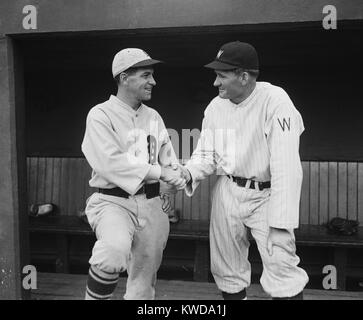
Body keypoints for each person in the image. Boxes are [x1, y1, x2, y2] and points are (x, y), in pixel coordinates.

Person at [176, 41, 309, 300]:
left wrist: (282, 222)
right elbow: (207, 154)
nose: (216, 82)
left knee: (281, 264)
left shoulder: (276, 101)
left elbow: (287, 167)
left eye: (222, 75)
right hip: (229, 190)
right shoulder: (215, 107)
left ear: (244, 76)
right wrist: (188, 173)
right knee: (226, 268)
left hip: (267, 194)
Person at [81, 48, 185, 300]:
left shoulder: (154, 116)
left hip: (152, 204)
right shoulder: (100, 114)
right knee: (112, 251)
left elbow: (167, 158)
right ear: (124, 77)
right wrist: (160, 172)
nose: (153, 81)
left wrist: (178, 173)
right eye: (146, 75)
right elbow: (110, 163)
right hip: (112, 201)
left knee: (143, 283)